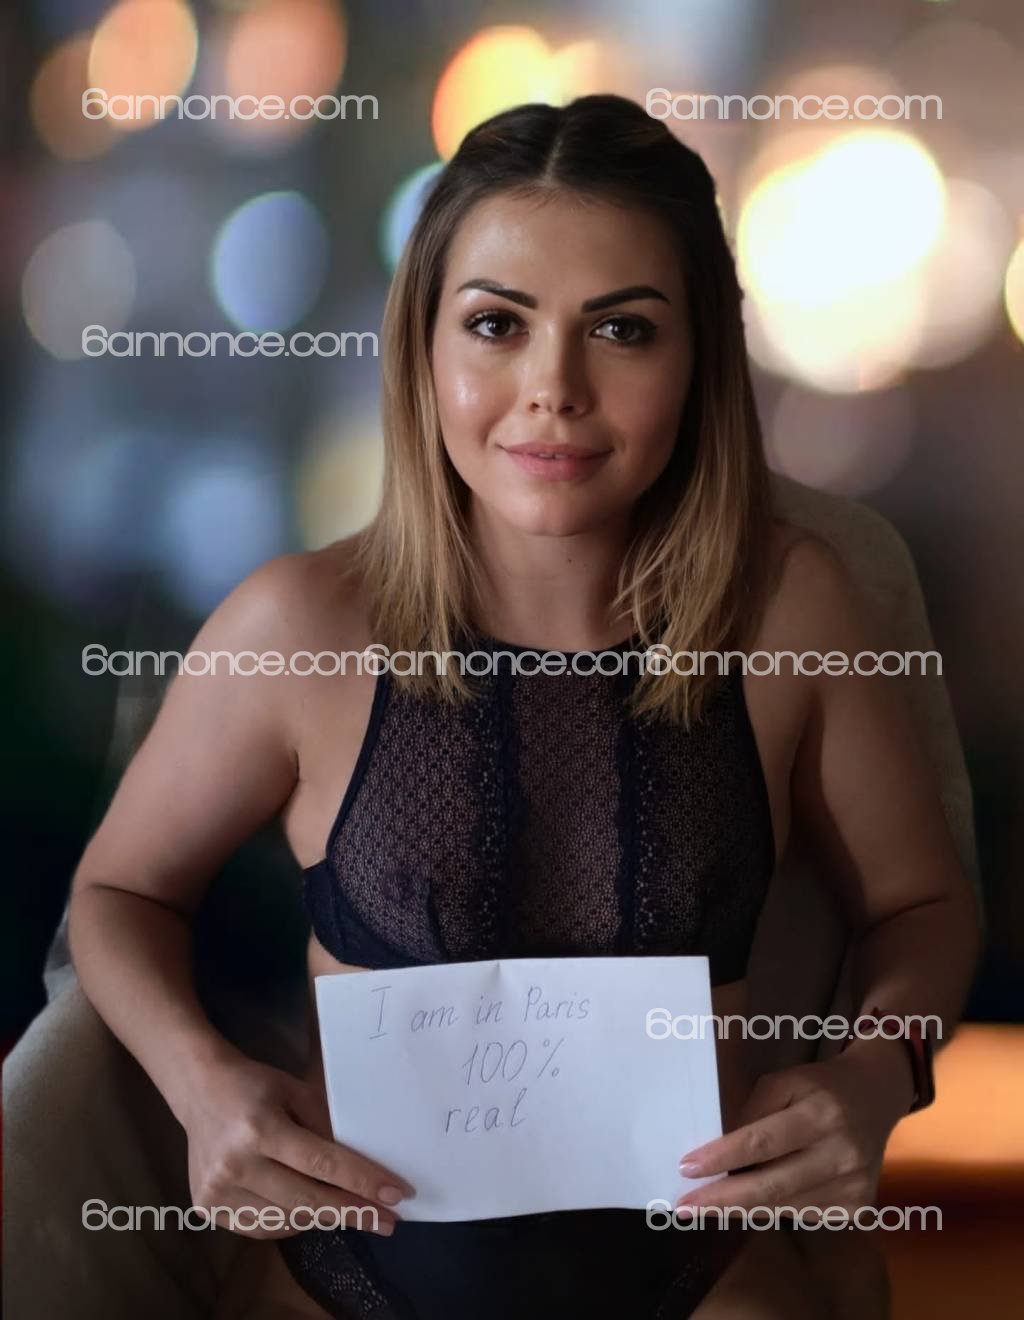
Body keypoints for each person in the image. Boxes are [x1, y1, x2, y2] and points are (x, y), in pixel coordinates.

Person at [68, 94, 980, 1319]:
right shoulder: (296, 627)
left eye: (622, 330)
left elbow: (922, 904)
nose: (554, 388)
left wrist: (881, 1071)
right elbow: (118, 893)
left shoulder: (789, 609)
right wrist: (201, 1085)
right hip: (342, 1285)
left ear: (701, 357)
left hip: (704, 1283)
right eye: (497, 323)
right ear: (422, 345)